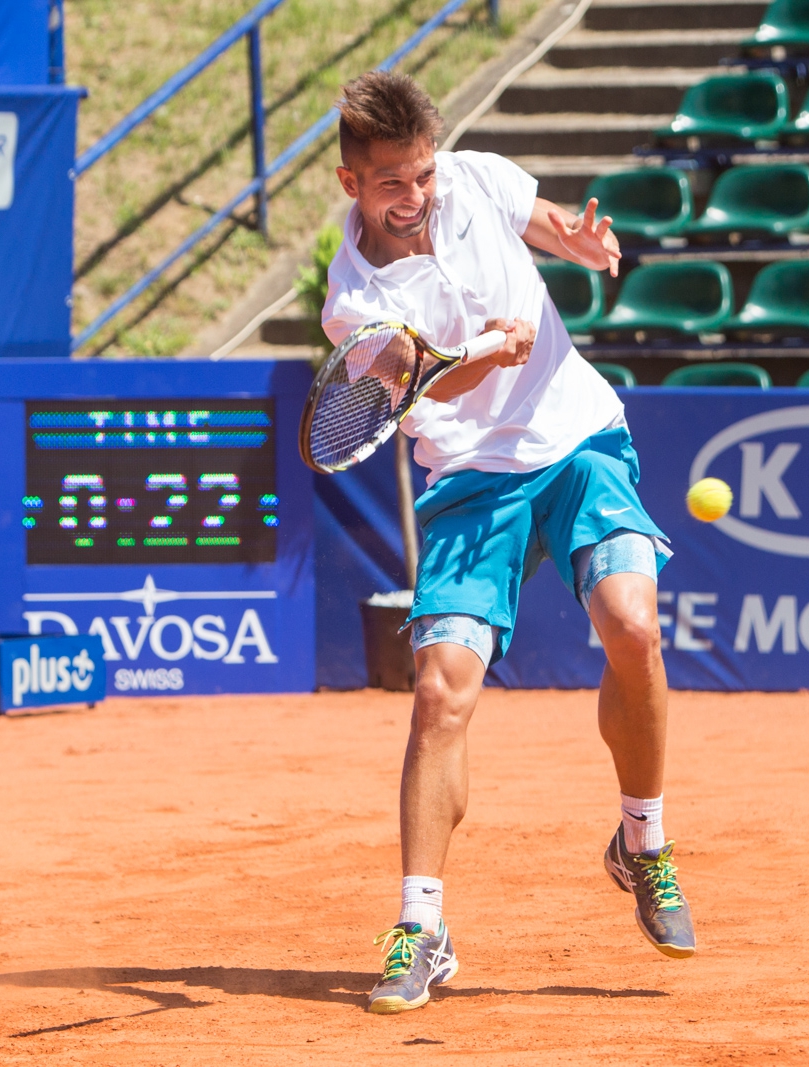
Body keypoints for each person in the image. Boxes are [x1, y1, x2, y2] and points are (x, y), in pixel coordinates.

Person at [322, 72, 693, 1016]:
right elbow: (420, 383)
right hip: (470, 476)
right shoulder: (352, 297)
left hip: (577, 437)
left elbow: (552, 219)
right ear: (348, 184)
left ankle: (641, 843)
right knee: (441, 690)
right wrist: (481, 354)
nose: (416, 196)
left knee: (633, 628)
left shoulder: (474, 177)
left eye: (422, 173)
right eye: (391, 185)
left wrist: (581, 237)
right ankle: (422, 923)